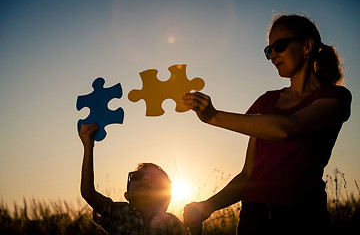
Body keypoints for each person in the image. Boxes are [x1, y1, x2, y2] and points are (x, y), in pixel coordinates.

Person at [182, 14, 352, 235]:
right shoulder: (266, 101)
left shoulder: (335, 96)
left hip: (302, 219)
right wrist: (206, 207)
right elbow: (248, 175)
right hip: (253, 219)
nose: (273, 55)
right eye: (268, 50)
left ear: (307, 45)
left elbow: (286, 128)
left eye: (279, 46)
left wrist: (213, 117)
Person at [79, 123, 189, 235]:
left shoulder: (171, 222)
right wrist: (88, 148)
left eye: (155, 178)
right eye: (137, 176)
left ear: (164, 196)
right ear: (127, 195)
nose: (145, 179)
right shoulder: (118, 213)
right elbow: (88, 194)